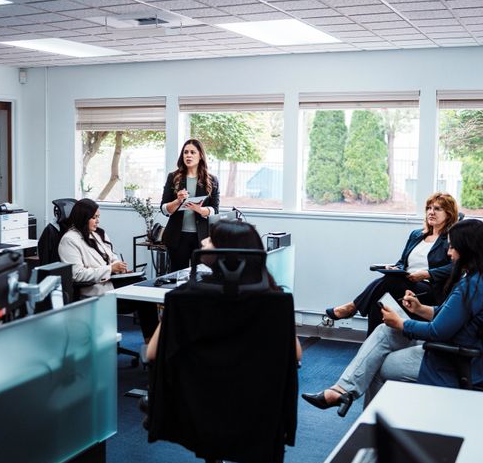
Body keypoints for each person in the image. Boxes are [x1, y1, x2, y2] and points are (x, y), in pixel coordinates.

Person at [302, 219, 483, 416]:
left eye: (452, 248)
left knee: (376, 363)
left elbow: (436, 331)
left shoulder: (471, 287)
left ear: (467, 249)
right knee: (384, 330)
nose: (449, 253)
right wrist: (419, 308)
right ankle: (341, 392)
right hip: (455, 349)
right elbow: (446, 314)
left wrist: (402, 323)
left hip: (450, 359)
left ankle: (371, 424)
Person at [146, 220, 302, 362]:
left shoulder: (183, 296)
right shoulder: (275, 298)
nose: (203, 241)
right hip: (256, 390)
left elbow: (152, 353)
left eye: (211, 239)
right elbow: (296, 354)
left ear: (228, 251)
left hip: (196, 389)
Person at [325, 192, 460, 335]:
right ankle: (371, 342)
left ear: (449, 214)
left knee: (389, 282)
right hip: (404, 282)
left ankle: (352, 307)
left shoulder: (451, 239)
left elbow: (457, 266)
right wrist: (396, 268)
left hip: (429, 288)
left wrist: (427, 274)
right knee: (378, 298)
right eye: (429, 208)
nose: (431, 212)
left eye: (437, 209)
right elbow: (403, 262)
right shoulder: (417, 235)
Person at [58, 198, 159, 340]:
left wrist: (119, 267)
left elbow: (112, 256)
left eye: (98, 217)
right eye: (94, 218)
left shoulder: (97, 234)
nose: (97, 221)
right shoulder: (69, 240)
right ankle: (152, 347)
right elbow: (77, 275)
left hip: (110, 282)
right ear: (83, 218)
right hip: (95, 290)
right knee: (144, 298)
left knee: (143, 286)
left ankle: (153, 345)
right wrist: (110, 269)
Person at [160, 139, 220, 272]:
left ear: (201, 156)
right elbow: (164, 209)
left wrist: (200, 209)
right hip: (177, 237)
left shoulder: (211, 180)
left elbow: (215, 210)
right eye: (185, 152)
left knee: (200, 276)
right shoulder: (173, 177)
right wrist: (178, 201)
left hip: (202, 238)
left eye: (193, 152)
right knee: (177, 276)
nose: (188, 155)